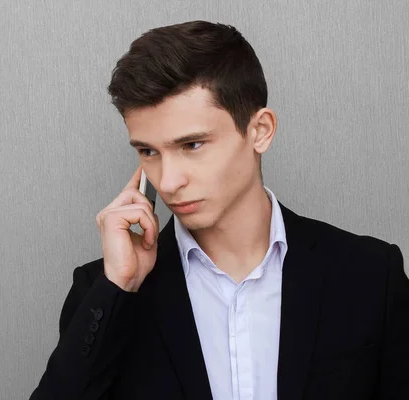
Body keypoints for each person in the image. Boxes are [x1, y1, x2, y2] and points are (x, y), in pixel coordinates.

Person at [29, 20, 409, 399]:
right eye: (148, 151)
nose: (168, 180)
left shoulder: (371, 274)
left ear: (260, 131)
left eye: (192, 144)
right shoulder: (106, 292)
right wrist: (119, 287)